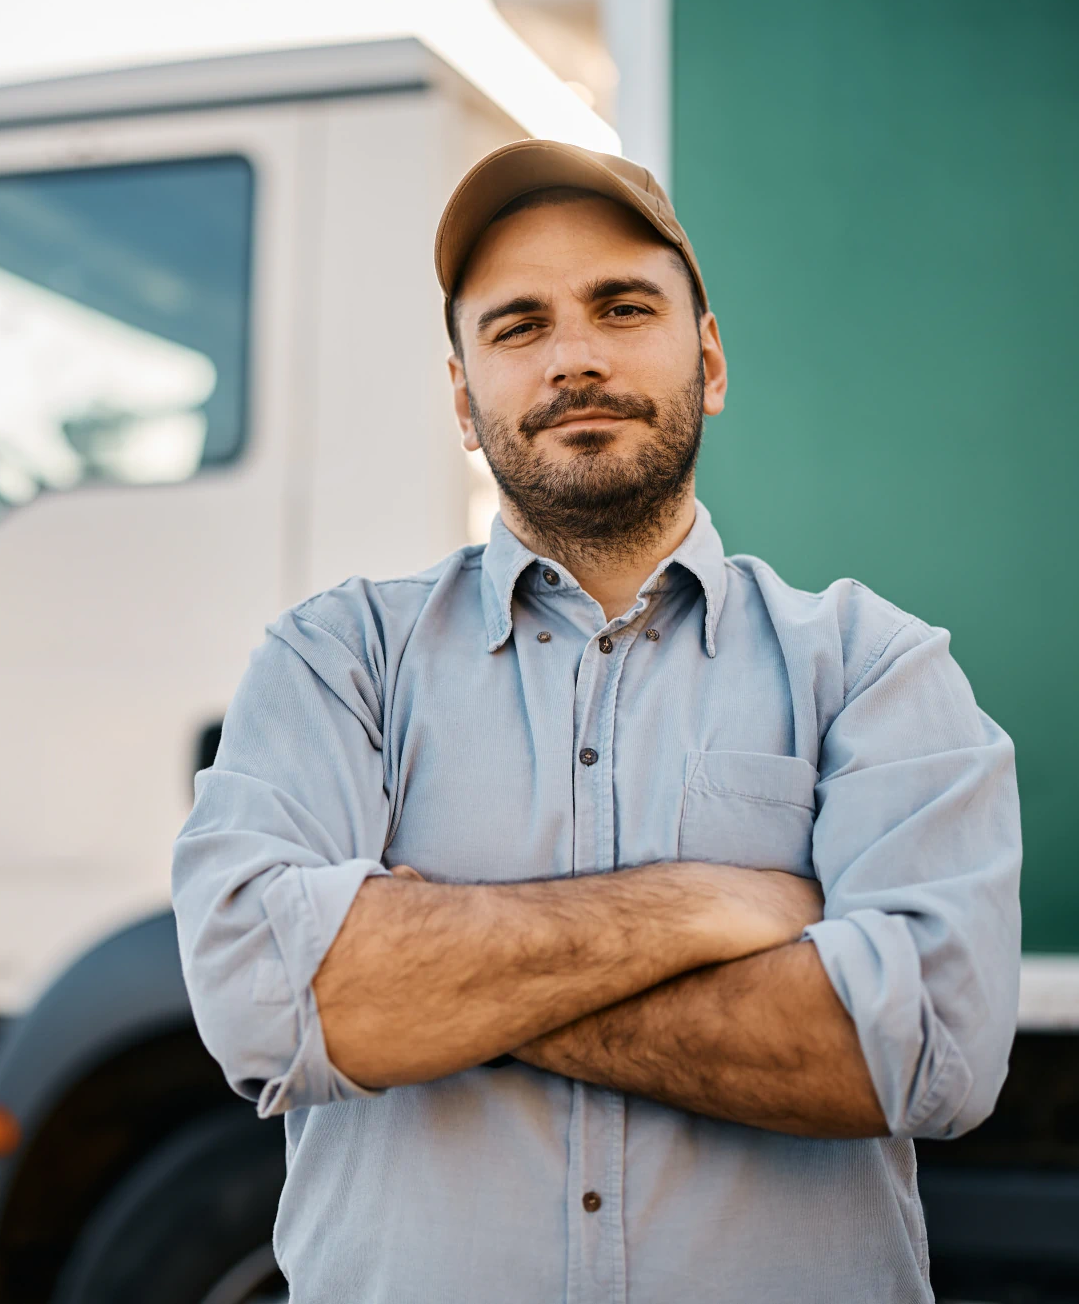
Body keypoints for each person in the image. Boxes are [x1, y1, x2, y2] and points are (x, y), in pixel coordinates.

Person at [171, 139, 1021, 1303]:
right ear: (463, 400)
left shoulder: (872, 667)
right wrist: (711, 902)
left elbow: (924, 1050)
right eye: (517, 326)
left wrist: (429, 982)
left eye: (621, 307)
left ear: (708, 361)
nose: (573, 356)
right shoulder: (335, 662)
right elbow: (262, 1004)